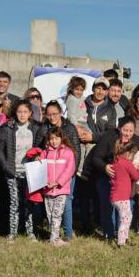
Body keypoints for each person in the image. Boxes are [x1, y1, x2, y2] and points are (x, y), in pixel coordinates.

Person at [89, 117, 139, 239]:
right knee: (107, 206)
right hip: (105, 177)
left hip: (126, 181)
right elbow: (96, 158)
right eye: (125, 130)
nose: (128, 134)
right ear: (119, 128)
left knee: (127, 209)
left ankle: (122, 235)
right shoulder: (109, 137)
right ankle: (109, 234)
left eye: (131, 131)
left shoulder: (137, 141)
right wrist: (105, 167)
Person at [0, 100, 43, 241]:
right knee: (14, 202)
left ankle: (30, 232)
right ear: (15, 113)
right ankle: (13, 232)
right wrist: (6, 167)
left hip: (30, 172)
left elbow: (41, 147)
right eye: (19, 112)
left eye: (25, 112)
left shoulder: (36, 128)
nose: (22, 115)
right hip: (13, 171)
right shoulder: (7, 128)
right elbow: (0, 150)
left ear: (30, 113)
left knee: (29, 202)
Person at [38, 100, 80, 240]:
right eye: (48, 114)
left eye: (54, 113)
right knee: (50, 208)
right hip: (50, 177)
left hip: (66, 174)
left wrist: (69, 175)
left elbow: (76, 152)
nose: (52, 117)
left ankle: (68, 233)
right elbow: (40, 150)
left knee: (66, 203)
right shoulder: (44, 129)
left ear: (60, 113)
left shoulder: (70, 128)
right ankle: (54, 233)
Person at [110, 142, 139, 247]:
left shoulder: (116, 162)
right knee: (126, 219)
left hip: (115, 196)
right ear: (128, 153)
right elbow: (136, 177)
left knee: (126, 216)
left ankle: (124, 238)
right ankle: (121, 242)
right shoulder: (126, 163)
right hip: (122, 197)